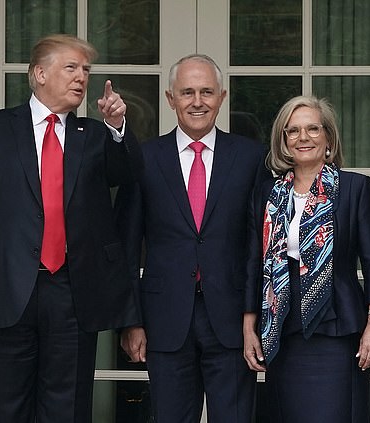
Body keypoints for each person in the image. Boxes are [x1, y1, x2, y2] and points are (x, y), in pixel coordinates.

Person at [0, 34, 142, 423]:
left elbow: (127, 173)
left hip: (72, 292)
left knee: (66, 410)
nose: (81, 78)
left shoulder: (95, 136)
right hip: (2, 292)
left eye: (85, 70)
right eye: (71, 68)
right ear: (39, 73)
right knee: (3, 409)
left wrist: (117, 125)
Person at [116, 54, 271, 422]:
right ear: (171, 99)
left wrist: (256, 316)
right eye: (187, 92)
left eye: (206, 92)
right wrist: (130, 320)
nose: (197, 101)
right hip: (164, 321)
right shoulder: (144, 159)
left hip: (233, 322)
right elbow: (126, 245)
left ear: (222, 96)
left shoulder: (252, 158)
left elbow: (260, 246)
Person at [242, 95, 370, 423]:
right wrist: (249, 325)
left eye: (312, 129)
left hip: (338, 332)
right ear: (283, 141)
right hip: (282, 331)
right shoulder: (268, 194)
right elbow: (254, 262)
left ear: (328, 137)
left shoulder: (355, 189)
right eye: (292, 131)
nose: (303, 137)